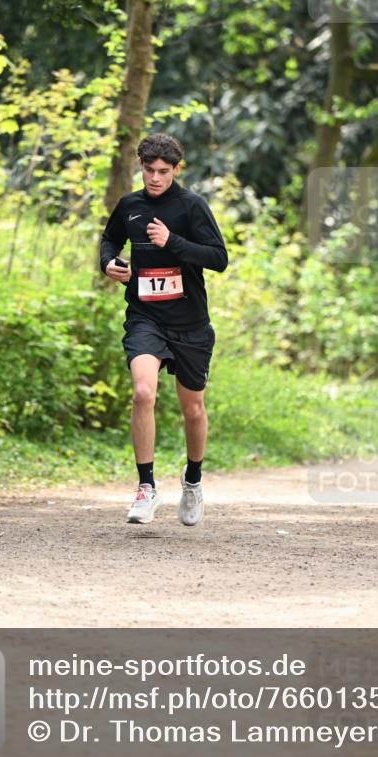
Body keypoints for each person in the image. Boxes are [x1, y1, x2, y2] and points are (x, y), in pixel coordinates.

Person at [99, 133, 228, 526]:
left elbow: (218, 258)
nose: (155, 178)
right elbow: (109, 240)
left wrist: (172, 241)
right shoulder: (130, 206)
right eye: (149, 170)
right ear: (140, 165)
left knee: (192, 409)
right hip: (145, 317)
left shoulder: (192, 206)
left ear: (176, 170)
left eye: (163, 172)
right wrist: (110, 264)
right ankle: (145, 488)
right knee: (142, 392)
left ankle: (192, 481)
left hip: (189, 322)